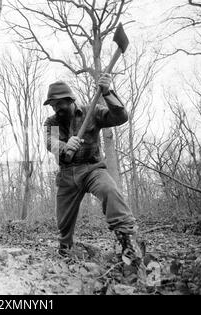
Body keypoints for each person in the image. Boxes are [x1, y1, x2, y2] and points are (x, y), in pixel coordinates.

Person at [43, 74, 143, 266]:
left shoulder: (92, 112)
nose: (56, 109)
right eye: (52, 105)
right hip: (67, 175)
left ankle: (128, 243)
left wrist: (107, 93)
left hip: (92, 169)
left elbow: (121, 117)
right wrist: (64, 146)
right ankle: (66, 250)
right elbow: (50, 143)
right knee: (63, 223)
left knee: (110, 191)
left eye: (58, 104)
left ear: (70, 100)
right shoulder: (52, 122)